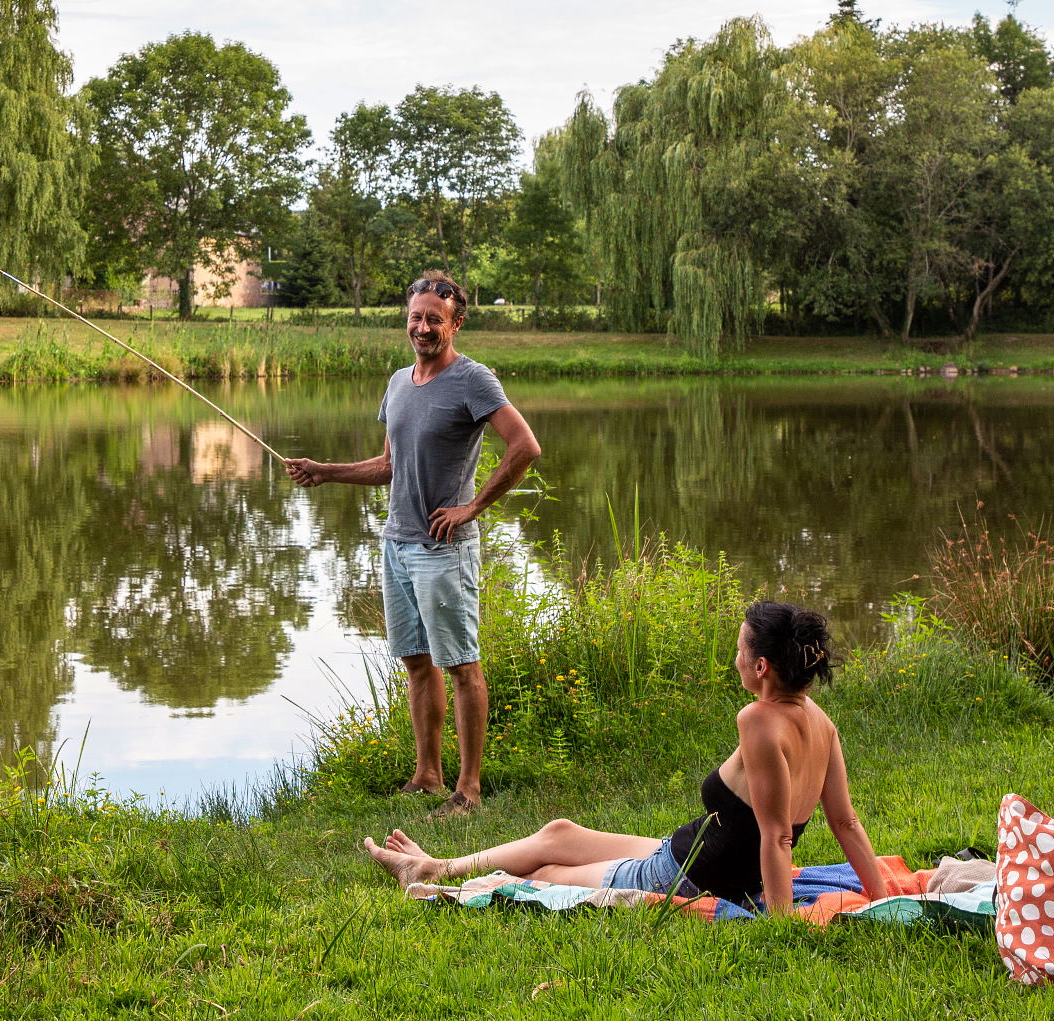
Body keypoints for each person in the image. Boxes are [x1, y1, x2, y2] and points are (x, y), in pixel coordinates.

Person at [361, 602, 888, 912]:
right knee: (559, 833)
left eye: (739, 650)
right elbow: (846, 822)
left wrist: (780, 926)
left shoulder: (758, 720)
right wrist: (886, 896)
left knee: (546, 873)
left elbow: (776, 836)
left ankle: (443, 881)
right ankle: (434, 865)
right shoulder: (822, 724)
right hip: (695, 851)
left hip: (687, 875)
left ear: (763, 666)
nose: (735, 659)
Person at [284, 271, 541, 817]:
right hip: (396, 543)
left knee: (462, 665)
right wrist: (325, 471)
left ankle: (467, 790)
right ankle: (428, 775)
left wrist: (472, 506)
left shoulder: (474, 381)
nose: (422, 328)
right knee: (417, 663)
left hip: (444, 549)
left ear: (456, 322)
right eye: (416, 318)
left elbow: (526, 446)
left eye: (434, 319)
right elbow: (388, 465)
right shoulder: (400, 382)